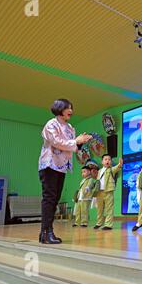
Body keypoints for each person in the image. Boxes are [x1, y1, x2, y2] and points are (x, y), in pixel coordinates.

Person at [38, 98, 92, 244]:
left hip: (61, 167)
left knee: (55, 199)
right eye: (68, 108)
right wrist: (76, 141)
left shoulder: (70, 128)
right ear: (60, 109)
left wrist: (81, 143)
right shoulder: (51, 124)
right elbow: (57, 142)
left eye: (71, 108)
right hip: (49, 165)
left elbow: (71, 146)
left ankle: (45, 233)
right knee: (49, 198)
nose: (71, 111)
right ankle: (46, 232)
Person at [94, 154, 123, 230]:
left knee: (109, 209)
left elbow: (117, 168)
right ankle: (99, 223)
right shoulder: (99, 171)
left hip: (108, 191)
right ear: (102, 162)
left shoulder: (111, 169)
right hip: (99, 192)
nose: (107, 161)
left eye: (109, 159)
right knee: (99, 209)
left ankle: (108, 225)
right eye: (105, 159)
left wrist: (120, 164)